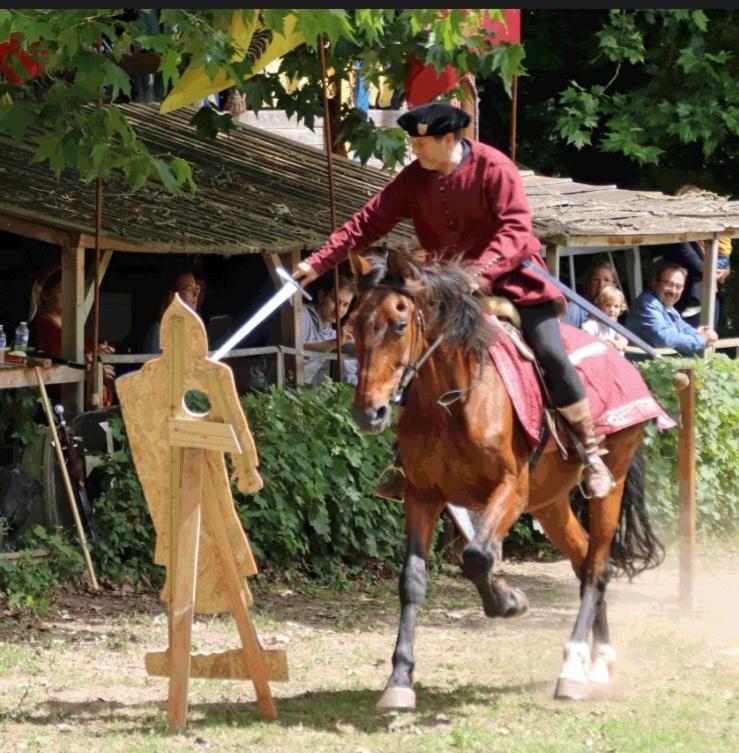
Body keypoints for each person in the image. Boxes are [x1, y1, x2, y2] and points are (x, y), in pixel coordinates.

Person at [293, 102, 615, 500]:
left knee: (550, 351)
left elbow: (515, 230)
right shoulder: (412, 179)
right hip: (444, 289)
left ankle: (590, 451)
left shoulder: (495, 168)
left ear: (449, 139)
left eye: (421, 143)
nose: (414, 150)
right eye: (412, 142)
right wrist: (318, 261)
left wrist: (476, 273)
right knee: (415, 351)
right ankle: (405, 457)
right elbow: (368, 221)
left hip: (513, 280)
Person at [29, 268, 116, 406]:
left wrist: (100, 351)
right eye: (62, 291)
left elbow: (88, 349)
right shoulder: (38, 326)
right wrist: (88, 364)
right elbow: (53, 359)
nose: (69, 297)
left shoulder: (70, 327)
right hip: (60, 400)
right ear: (46, 295)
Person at [625, 262, 718, 356]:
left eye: (678, 287)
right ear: (655, 282)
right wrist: (702, 340)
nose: (673, 291)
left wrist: (699, 332)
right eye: (669, 284)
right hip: (640, 368)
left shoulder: (666, 305)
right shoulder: (647, 303)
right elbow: (665, 339)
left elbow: (682, 327)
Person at [301, 275, 358, 387]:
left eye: (345, 305)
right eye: (336, 301)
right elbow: (295, 348)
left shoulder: (333, 334)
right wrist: (334, 343)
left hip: (298, 392)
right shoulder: (301, 314)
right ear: (321, 295)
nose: (339, 310)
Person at [142, 270, 202, 354]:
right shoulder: (158, 332)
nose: (196, 294)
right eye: (189, 288)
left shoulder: (194, 329)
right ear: (174, 294)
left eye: (196, 288)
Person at [561, 261, 619, 328]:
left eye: (606, 280)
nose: (601, 285)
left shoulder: (614, 309)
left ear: (614, 285)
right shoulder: (573, 309)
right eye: (596, 280)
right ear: (588, 283)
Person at [582, 285, 628, 354]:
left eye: (616, 306)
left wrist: (622, 341)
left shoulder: (614, 326)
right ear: (600, 306)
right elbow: (584, 340)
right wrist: (605, 341)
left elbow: (622, 337)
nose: (612, 310)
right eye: (608, 305)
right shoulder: (592, 324)